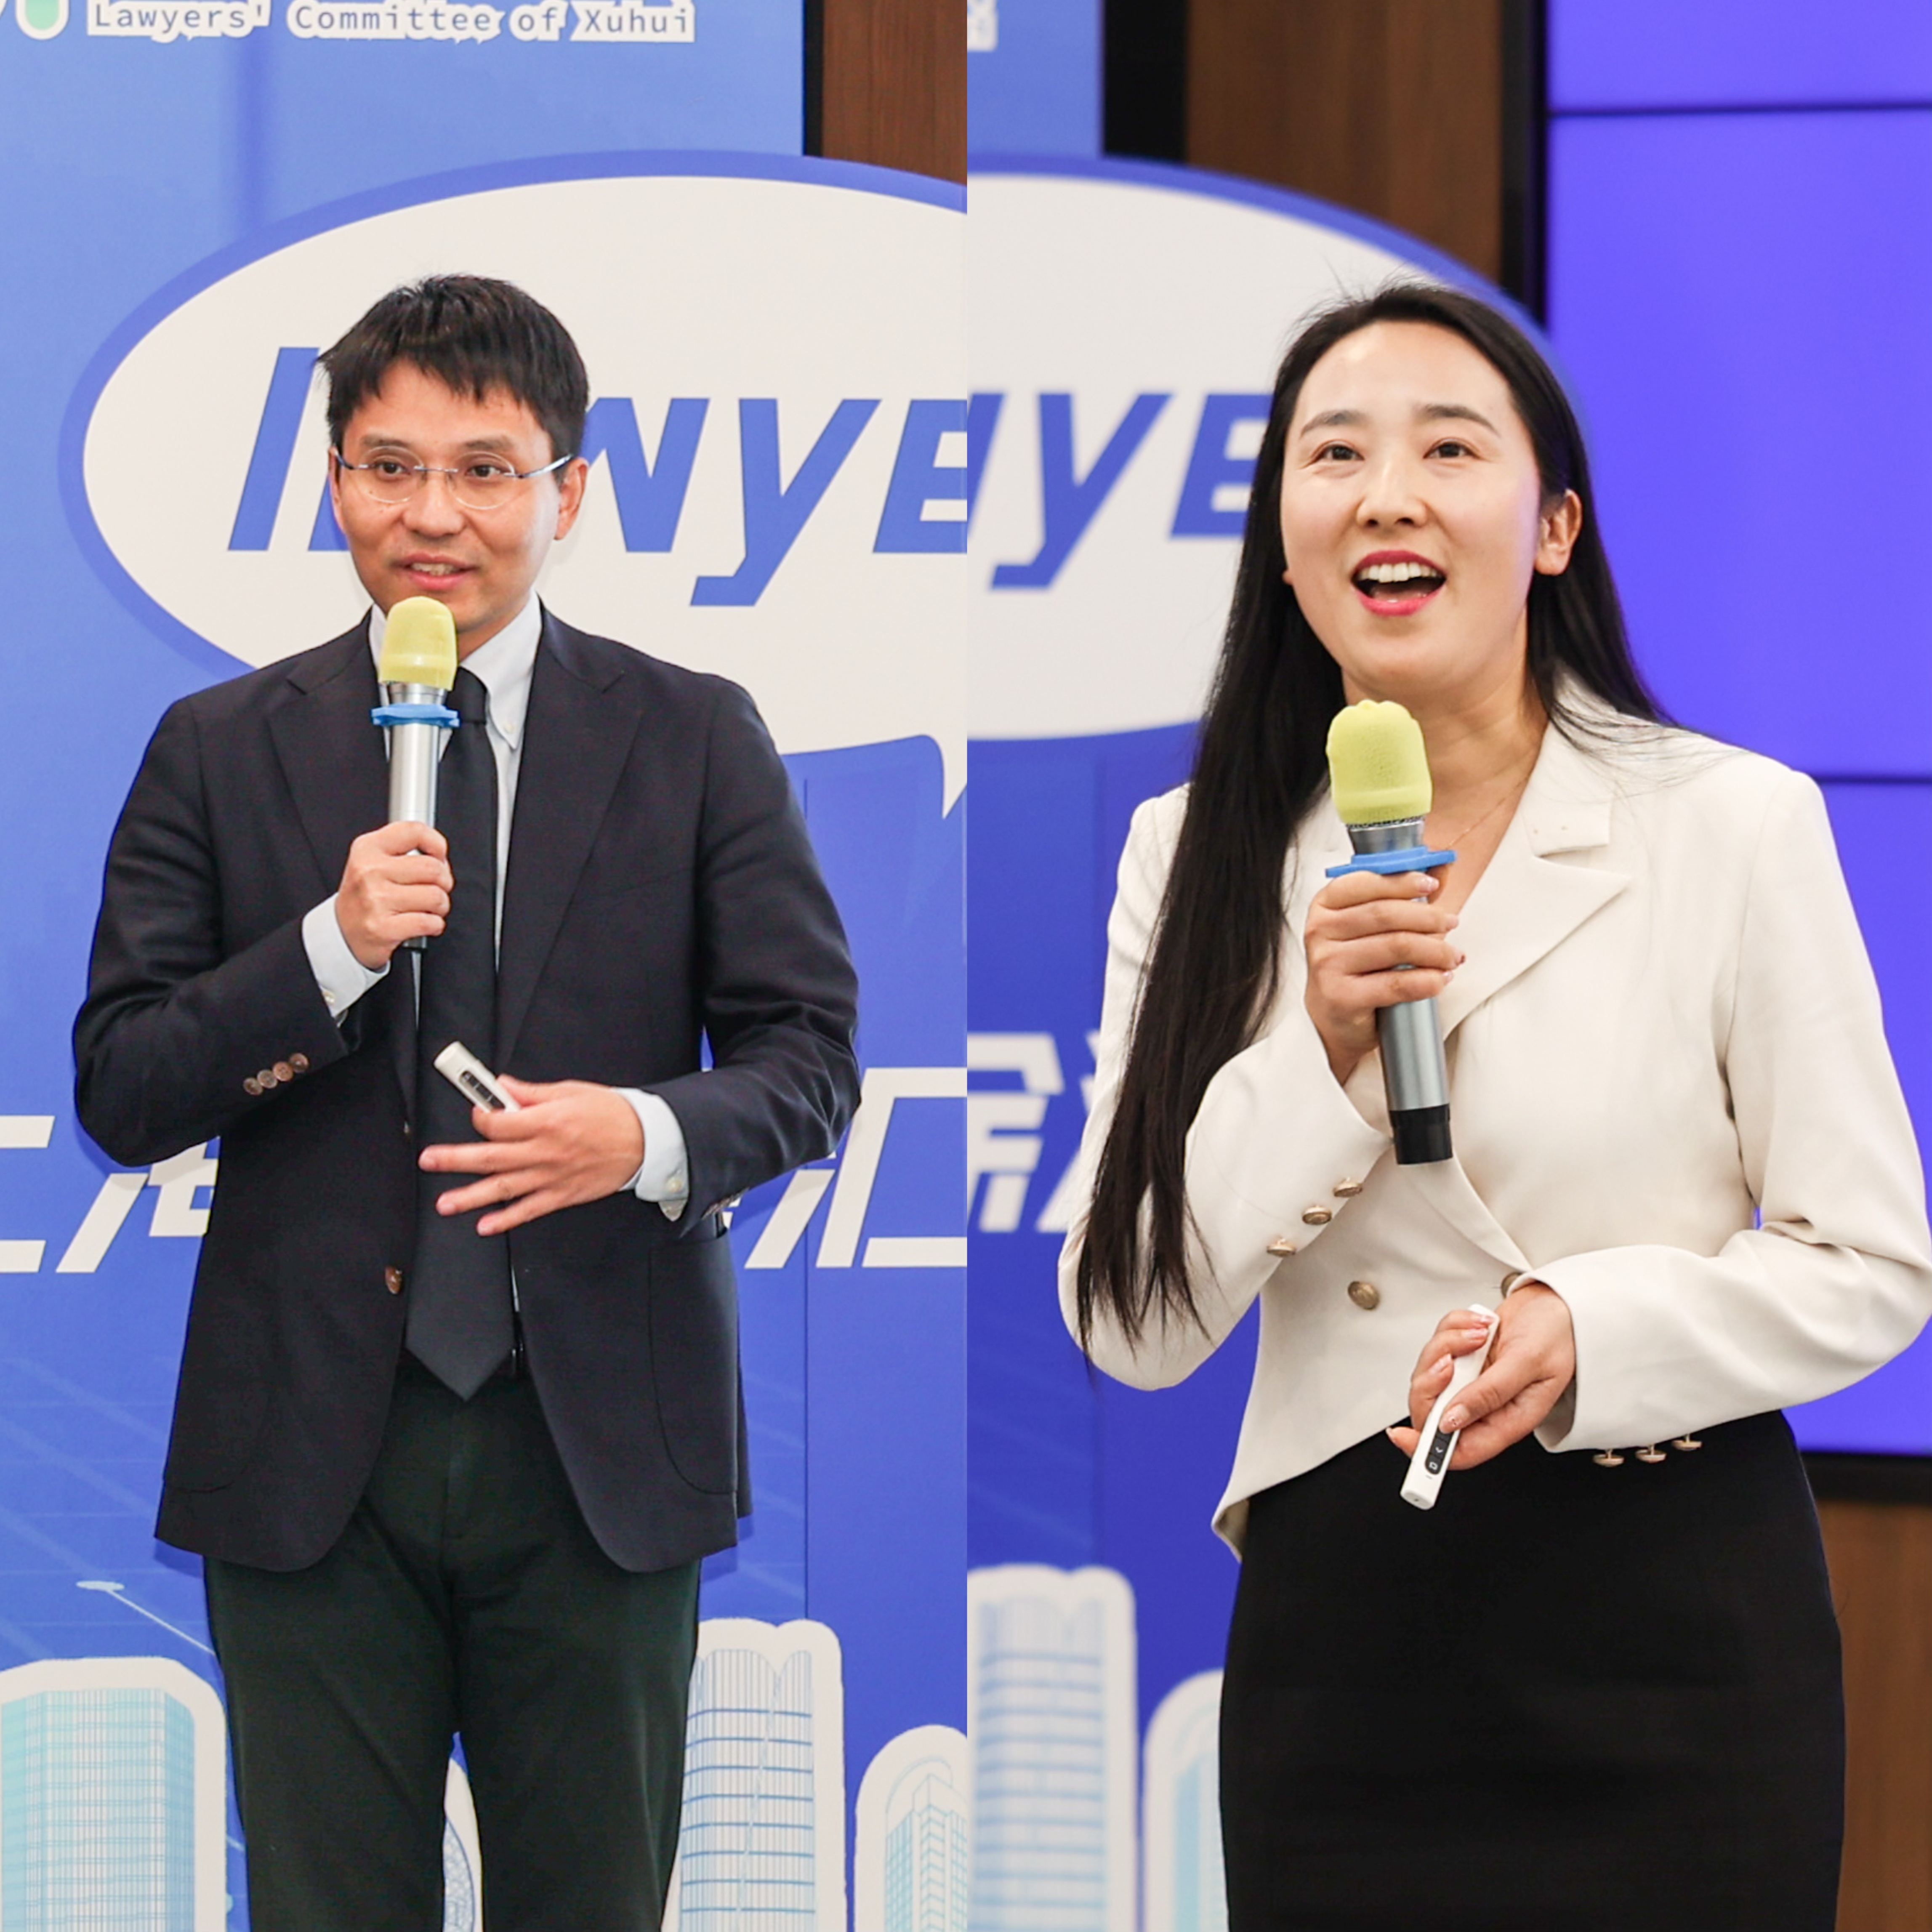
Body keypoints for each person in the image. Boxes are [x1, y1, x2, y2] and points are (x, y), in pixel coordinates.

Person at [1058, 282, 1932, 1931]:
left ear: (1552, 528)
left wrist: (1587, 1326)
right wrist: (1317, 1051)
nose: (1385, 493)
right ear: (1284, 546)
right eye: (1334, 455)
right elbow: (1129, 1318)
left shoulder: (1728, 823)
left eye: (1448, 449)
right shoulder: (1195, 853)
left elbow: (1871, 1262)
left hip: (1677, 1626)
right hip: (1349, 1649)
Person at [74, 275, 860, 1931]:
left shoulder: (691, 734)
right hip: (310, 1462)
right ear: (333, 482)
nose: (432, 515)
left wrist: (642, 1137)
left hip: (596, 1452)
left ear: (569, 492)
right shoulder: (219, 745)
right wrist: (330, 948)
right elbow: (126, 1087)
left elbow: (808, 1058)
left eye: (486, 471)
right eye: (390, 467)